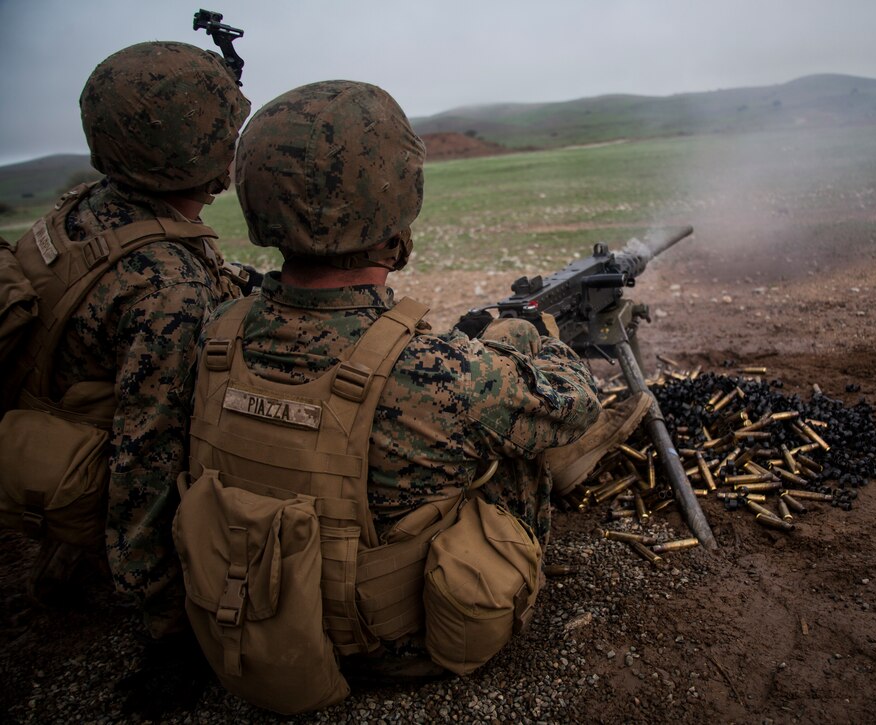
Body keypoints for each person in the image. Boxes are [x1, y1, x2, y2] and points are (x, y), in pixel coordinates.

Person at [178, 80, 600, 711]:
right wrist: (537, 339)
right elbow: (576, 404)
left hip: (255, 618)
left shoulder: (219, 329)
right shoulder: (439, 370)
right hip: (395, 647)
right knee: (513, 436)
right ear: (394, 214)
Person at [0, 41, 250, 714]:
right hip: (84, 471)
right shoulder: (170, 288)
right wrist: (173, 626)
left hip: (39, 424)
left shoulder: (83, 209)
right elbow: (147, 463)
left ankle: (68, 557)